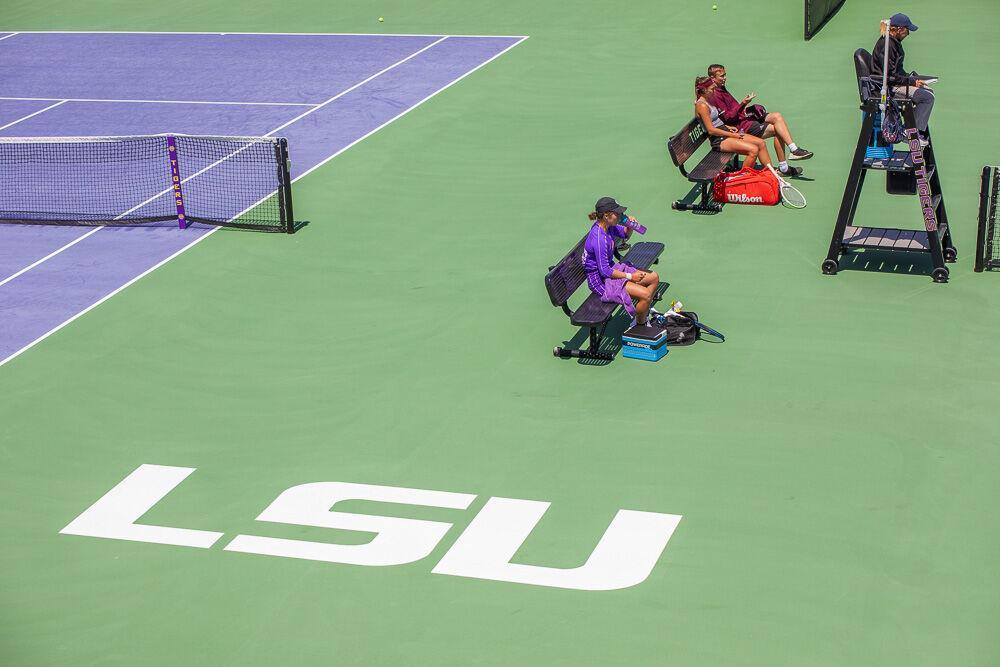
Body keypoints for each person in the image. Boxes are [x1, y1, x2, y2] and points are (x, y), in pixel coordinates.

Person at [707, 63, 812, 177]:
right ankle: (785, 165)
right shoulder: (715, 94)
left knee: (777, 117)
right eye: (721, 76)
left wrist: (749, 110)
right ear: (713, 78)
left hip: (744, 121)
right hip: (740, 128)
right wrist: (743, 103)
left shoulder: (721, 87)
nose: (725, 78)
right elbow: (729, 118)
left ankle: (792, 153)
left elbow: (733, 111)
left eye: (725, 75)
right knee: (778, 130)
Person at [583, 197, 659, 327]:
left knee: (654, 278)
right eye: (617, 213)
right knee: (646, 295)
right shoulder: (598, 239)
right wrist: (630, 277)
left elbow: (624, 235)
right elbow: (604, 271)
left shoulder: (608, 226)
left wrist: (629, 226)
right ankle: (640, 325)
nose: (620, 215)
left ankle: (642, 311)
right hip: (600, 280)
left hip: (612, 269)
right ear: (606, 215)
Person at [871, 12, 934, 144]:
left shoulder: (893, 42)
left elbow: (895, 71)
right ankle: (910, 132)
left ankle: (914, 129)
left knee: (927, 91)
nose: (908, 34)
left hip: (894, 83)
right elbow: (890, 76)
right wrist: (911, 82)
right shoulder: (887, 45)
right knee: (927, 97)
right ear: (899, 29)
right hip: (889, 88)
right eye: (907, 30)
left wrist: (912, 79)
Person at [694, 76, 774, 171]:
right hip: (718, 140)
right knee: (753, 150)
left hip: (725, 132)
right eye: (712, 89)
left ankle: (772, 174)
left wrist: (727, 127)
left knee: (761, 143)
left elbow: (715, 120)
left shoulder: (708, 100)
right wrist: (733, 135)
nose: (714, 91)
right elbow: (711, 130)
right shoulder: (702, 105)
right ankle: (743, 179)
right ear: (704, 90)